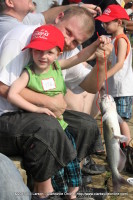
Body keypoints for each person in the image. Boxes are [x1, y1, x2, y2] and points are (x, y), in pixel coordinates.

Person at [0, 6, 113, 200]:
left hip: (34, 115)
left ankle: (72, 187)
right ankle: (45, 192)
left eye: (76, 41)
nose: (69, 42)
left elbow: (91, 85)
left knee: (85, 124)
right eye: (68, 32)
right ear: (59, 17)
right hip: (6, 117)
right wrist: (47, 103)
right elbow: (2, 87)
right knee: (48, 127)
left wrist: (101, 61)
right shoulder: (21, 38)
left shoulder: (62, 50)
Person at [95, 4, 133, 146]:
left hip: (123, 88)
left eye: (107, 22)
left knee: (121, 120)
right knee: (112, 119)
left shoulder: (122, 39)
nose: (104, 25)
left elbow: (120, 64)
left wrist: (103, 76)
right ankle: (118, 147)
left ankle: (127, 147)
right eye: (103, 22)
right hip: (114, 87)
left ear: (118, 22)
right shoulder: (112, 39)